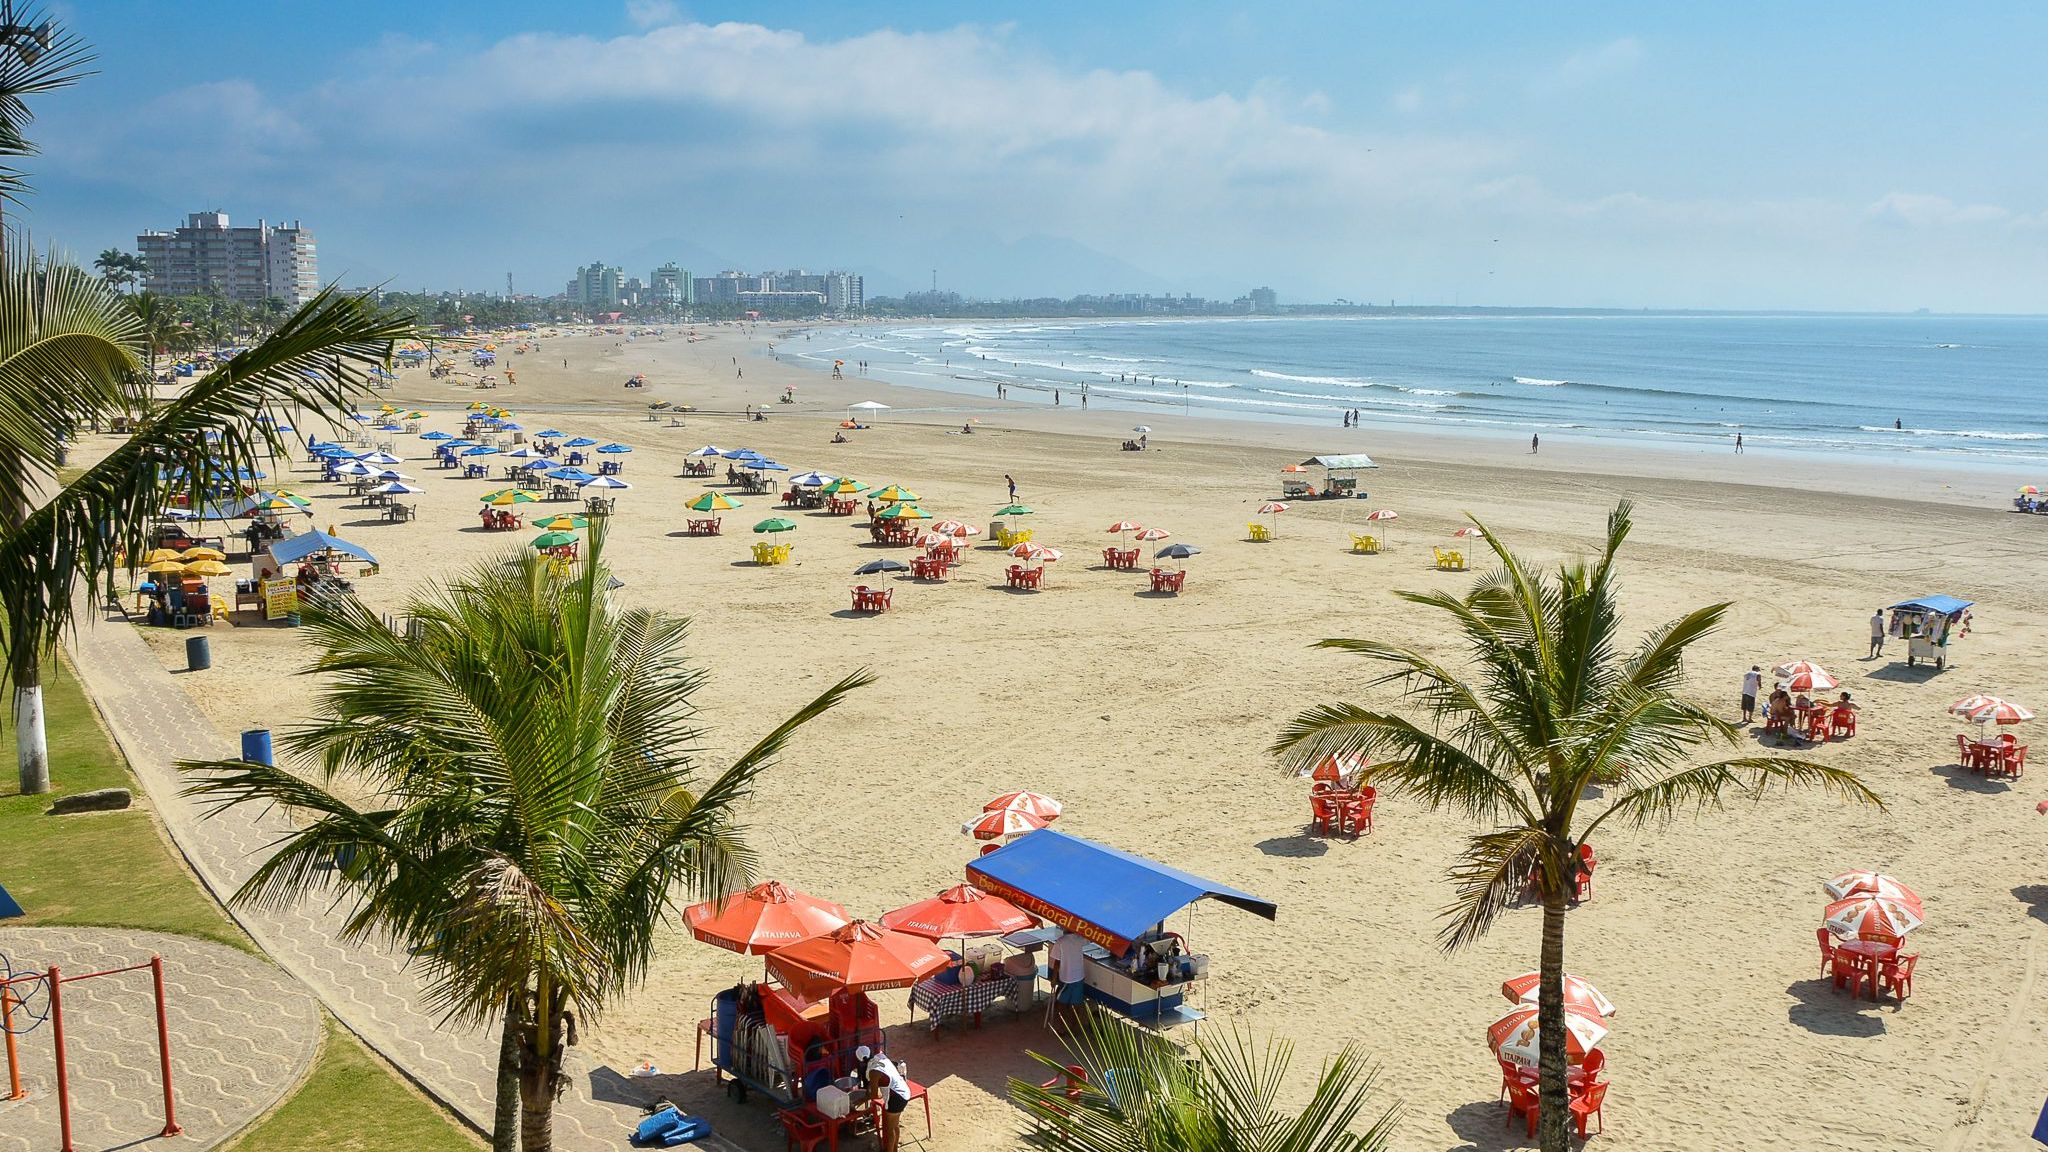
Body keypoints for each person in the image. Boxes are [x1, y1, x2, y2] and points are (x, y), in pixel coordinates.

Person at [864, 1048, 912, 1152]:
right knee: (895, 1125)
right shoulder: (881, 1057)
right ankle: (894, 1150)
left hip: (895, 1098)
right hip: (904, 1092)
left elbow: (875, 1096)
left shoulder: (873, 1072)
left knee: (889, 1129)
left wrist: (861, 1099)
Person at [1048, 927, 1086, 1022]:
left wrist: (1054, 978)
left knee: (1061, 1002)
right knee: (1076, 1003)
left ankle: (1063, 1023)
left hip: (1066, 977)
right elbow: (1089, 940)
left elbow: (1057, 962)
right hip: (1079, 976)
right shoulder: (1080, 939)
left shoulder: (1060, 942)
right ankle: (1073, 1025)